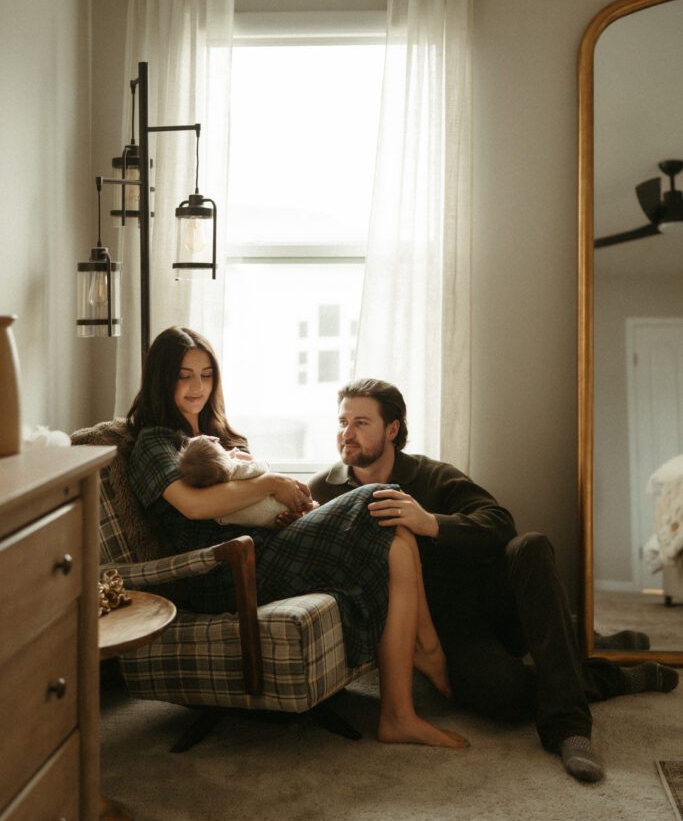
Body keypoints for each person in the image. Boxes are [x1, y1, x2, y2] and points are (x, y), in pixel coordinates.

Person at [309, 378, 680, 784]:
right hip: (449, 630)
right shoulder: (322, 491)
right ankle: (609, 670)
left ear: (392, 429)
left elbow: (500, 523)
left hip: (491, 599)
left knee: (531, 546)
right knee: (509, 700)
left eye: (361, 422)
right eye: (342, 422)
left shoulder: (431, 476)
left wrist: (431, 522)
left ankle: (569, 728)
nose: (347, 433)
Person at [125, 327, 468, 750]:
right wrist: (271, 483)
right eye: (184, 375)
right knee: (380, 499)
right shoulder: (155, 442)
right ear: (162, 378)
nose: (198, 386)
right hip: (225, 572)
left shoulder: (221, 436)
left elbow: (243, 507)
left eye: (206, 374)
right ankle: (427, 649)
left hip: (266, 549)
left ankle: (399, 715)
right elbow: (194, 506)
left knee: (395, 536)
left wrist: (285, 516)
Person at [177, 434, 286, 528]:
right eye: (223, 450)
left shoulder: (217, 510)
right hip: (279, 510)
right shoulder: (238, 470)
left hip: (267, 524)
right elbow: (263, 467)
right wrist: (241, 459)